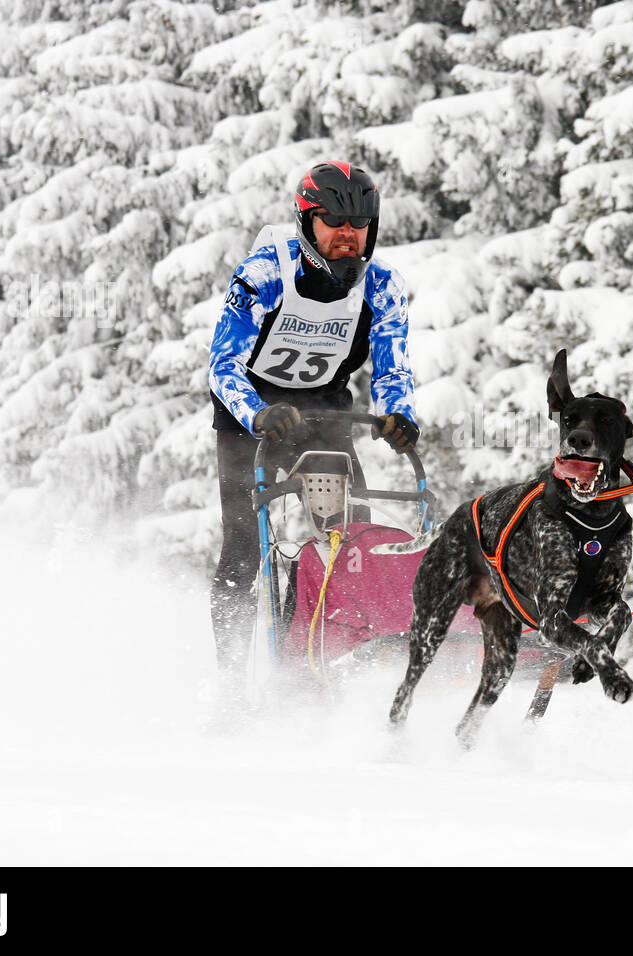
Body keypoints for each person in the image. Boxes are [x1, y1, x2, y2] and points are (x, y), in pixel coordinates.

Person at [207, 160, 418, 699]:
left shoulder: (383, 285)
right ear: (307, 221)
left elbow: (393, 366)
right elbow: (223, 365)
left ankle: (337, 664)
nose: (348, 235)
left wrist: (397, 413)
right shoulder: (264, 274)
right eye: (333, 222)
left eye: (360, 224)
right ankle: (232, 684)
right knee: (242, 549)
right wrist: (256, 413)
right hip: (250, 417)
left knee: (353, 543)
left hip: (326, 413)